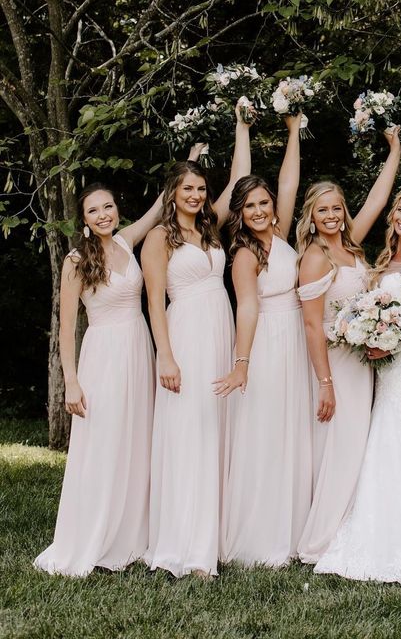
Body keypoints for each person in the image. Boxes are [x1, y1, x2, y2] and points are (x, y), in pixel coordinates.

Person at [34, 144, 203, 576]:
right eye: (94, 210)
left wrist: (190, 162)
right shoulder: (76, 262)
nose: (104, 215)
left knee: (136, 441)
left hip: (138, 349)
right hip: (103, 357)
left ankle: (130, 537)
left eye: (108, 206)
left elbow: (162, 204)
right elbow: (67, 330)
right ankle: (92, 535)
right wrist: (71, 382)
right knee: (105, 444)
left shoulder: (129, 243)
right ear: (84, 220)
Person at [314, 184, 401, 584]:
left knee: (399, 437)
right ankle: (381, 521)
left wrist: (396, 339)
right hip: (386, 363)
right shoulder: (387, 257)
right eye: (400, 210)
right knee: (384, 437)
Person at [142, 106, 250, 578]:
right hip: (183, 333)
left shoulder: (209, 228)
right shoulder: (158, 238)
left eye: (200, 188)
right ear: (172, 193)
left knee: (216, 429)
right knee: (190, 433)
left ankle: (215, 534)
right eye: (187, 188)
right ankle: (184, 546)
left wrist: (241, 126)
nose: (196, 194)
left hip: (219, 330)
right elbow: (152, 302)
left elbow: (239, 181)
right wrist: (165, 355)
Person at [295, 126, 401, 563]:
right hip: (334, 365)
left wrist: (395, 150)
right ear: (312, 215)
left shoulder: (352, 245)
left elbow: (378, 199)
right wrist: (324, 382)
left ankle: (353, 525)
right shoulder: (316, 256)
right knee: (341, 444)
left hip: (361, 361)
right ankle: (323, 536)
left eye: (337, 207)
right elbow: (311, 325)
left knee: (358, 443)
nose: (333, 215)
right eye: (324, 209)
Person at [219, 113, 312, 567]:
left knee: (295, 428)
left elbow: (290, 184)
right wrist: (242, 361)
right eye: (249, 206)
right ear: (240, 213)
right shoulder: (243, 253)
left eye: (263, 203)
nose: (258, 211)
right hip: (267, 343)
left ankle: (295, 527)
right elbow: (248, 307)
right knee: (268, 431)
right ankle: (261, 535)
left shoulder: (280, 234)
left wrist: (293, 131)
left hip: (296, 336)